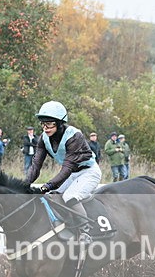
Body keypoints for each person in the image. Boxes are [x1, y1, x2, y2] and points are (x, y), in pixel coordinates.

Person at [26, 101, 102, 244]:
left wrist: (47, 185)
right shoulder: (43, 138)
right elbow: (35, 166)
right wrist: (24, 185)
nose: (45, 128)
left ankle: (85, 232)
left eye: (49, 124)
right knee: (52, 196)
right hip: (72, 174)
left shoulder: (74, 136)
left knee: (70, 196)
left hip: (88, 172)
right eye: (43, 124)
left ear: (60, 123)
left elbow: (66, 169)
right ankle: (67, 227)